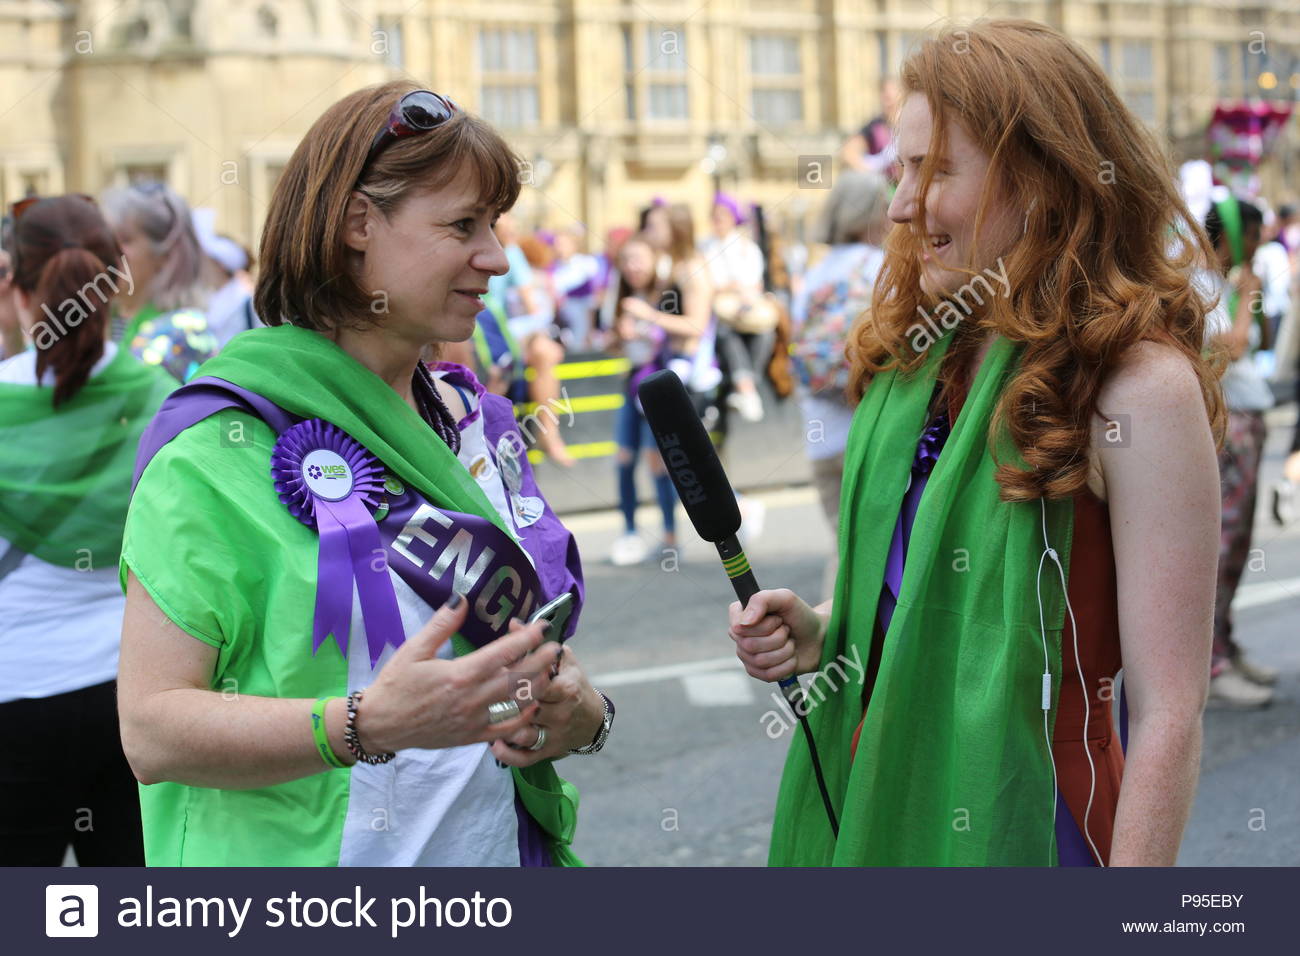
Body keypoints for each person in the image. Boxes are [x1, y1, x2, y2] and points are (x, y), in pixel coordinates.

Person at [729, 19, 1224, 866]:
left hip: (1037, 823)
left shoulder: (1138, 384)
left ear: (1042, 176)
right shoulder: (909, 355)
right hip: (870, 796)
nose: (899, 203)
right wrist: (816, 631)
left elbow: (1170, 709)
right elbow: (887, 610)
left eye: (935, 170)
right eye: (899, 168)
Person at [117, 83, 613, 867]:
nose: (496, 257)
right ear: (357, 226)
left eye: (494, 225)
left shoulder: (472, 420)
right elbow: (151, 730)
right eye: (462, 225)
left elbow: (523, 651)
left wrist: (583, 714)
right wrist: (363, 724)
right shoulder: (216, 450)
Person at [0, 195, 176, 865]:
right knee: (131, 913)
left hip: (15, 692)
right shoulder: (162, 401)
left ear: (17, 289)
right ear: (116, 280)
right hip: (132, 691)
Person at [790, 170, 891, 601]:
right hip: (868, 432)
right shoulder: (878, 267)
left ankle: (835, 649)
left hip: (821, 437)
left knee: (843, 547)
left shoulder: (813, 276)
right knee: (877, 553)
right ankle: (848, 653)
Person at [1199, 196, 1277, 706]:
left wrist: (1253, 298)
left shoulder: (1227, 286)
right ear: (1230, 236)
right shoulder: (1197, 287)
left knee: (1240, 544)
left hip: (1249, 425)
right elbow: (1230, 351)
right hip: (1227, 430)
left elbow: (1265, 339)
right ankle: (1210, 661)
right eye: (1251, 237)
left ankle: (1225, 641)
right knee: (1221, 547)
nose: (1256, 247)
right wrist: (1246, 300)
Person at [607, 234, 685, 566]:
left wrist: (647, 319)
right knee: (624, 458)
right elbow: (610, 343)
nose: (633, 267)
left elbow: (689, 330)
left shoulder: (667, 292)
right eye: (626, 261)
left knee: (659, 463)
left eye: (639, 258)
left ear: (654, 258)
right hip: (633, 383)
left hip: (660, 384)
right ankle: (629, 532)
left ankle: (670, 535)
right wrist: (618, 335)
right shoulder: (622, 297)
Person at [100, 181, 218, 381]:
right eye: (104, 240)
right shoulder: (100, 321)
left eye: (125, 240)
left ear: (166, 253)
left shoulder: (183, 332)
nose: (108, 252)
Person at [700, 192, 771, 423]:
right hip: (719, 314)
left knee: (765, 333)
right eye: (715, 216)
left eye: (723, 215)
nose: (718, 221)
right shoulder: (705, 246)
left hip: (745, 307)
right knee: (726, 333)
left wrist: (745, 294)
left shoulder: (746, 247)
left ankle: (746, 386)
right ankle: (747, 389)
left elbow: (755, 281)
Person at [840, 78, 901, 179]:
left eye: (892, 98)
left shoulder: (910, 124)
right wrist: (870, 172)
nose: (889, 103)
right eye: (886, 98)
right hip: (884, 187)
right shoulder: (875, 127)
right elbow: (848, 152)